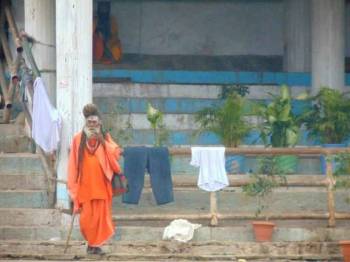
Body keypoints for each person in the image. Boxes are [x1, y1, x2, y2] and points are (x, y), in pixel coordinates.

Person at [67, 103, 122, 255]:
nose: (92, 125)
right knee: (86, 220)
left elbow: (116, 152)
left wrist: (102, 141)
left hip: (102, 185)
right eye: (89, 122)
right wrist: (72, 186)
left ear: (100, 122)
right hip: (85, 187)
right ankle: (91, 243)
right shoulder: (78, 139)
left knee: (101, 219)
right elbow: (72, 163)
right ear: (86, 122)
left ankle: (95, 245)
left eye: (94, 122)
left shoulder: (105, 137)